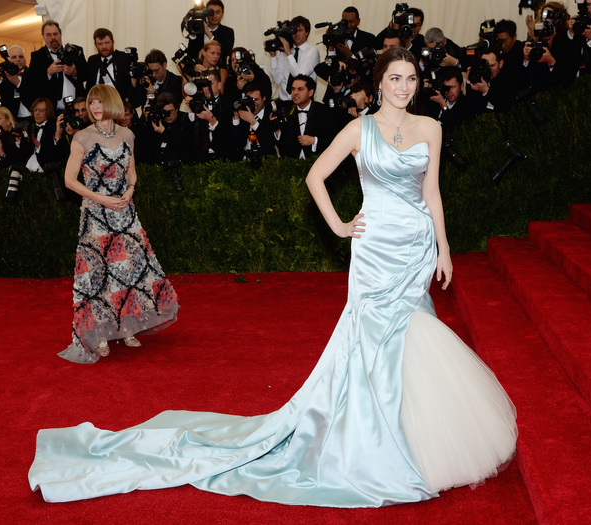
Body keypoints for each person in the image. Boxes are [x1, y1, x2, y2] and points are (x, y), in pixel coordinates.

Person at [28, 48, 517, 506]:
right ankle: (372, 439)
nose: (404, 86)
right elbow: (314, 177)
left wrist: (444, 248)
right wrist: (342, 226)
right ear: (379, 82)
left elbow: (431, 192)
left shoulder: (430, 127)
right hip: (374, 250)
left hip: (415, 250)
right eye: (395, 78)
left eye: (411, 79)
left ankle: (415, 435)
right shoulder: (357, 129)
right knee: (371, 340)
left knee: (412, 335)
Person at [55, 84, 178, 364]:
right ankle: (100, 334)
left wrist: (130, 190)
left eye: (100, 102)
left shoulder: (127, 134)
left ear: (111, 103)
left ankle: (128, 327)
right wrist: (101, 198)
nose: (95, 107)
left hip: (125, 212)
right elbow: (69, 180)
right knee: (99, 275)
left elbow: (132, 171)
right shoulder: (82, 137)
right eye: (91, 103)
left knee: (130, 271)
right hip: (96, 216)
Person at [24, 20, 88, 112]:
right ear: (43, 37)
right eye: (49, 35)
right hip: (52, 111)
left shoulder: (75, 50)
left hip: (78, 108)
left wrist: (75, 73)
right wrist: (48, 73)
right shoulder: (37, 56)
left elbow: (87, 74)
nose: (53, 37)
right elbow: (32, 83)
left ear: (60, 34)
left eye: (55, 34)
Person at [269, 16, 321, 101]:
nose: (296, 34)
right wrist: (273, 56)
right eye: (294, 31)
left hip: (304, 102)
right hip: (284, 101)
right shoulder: (284, 52)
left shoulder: (312, 52)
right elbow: (276, 80)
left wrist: (289, 53)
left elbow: (300, 75)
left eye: (300, 30)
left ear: (307, 32)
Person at [86, 28, 134, 101]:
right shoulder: (92, 60)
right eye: (100, 44)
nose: (104, 47)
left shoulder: (125, 58)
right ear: (95, 44)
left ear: (113, 42)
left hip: (119, 103)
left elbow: (132, 85)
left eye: (107, 43)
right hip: (97, 103)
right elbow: (89, 85)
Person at [0, 45, 32, 121]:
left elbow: (33, 95)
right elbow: (5, 99)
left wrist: (18, 83)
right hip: (14, 119)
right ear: (8, 60)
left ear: (25, 60)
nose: (18, 59)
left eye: (21, 57)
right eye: (14, 57)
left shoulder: (33, 74)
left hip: (33, 117)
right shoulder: (6, 76)